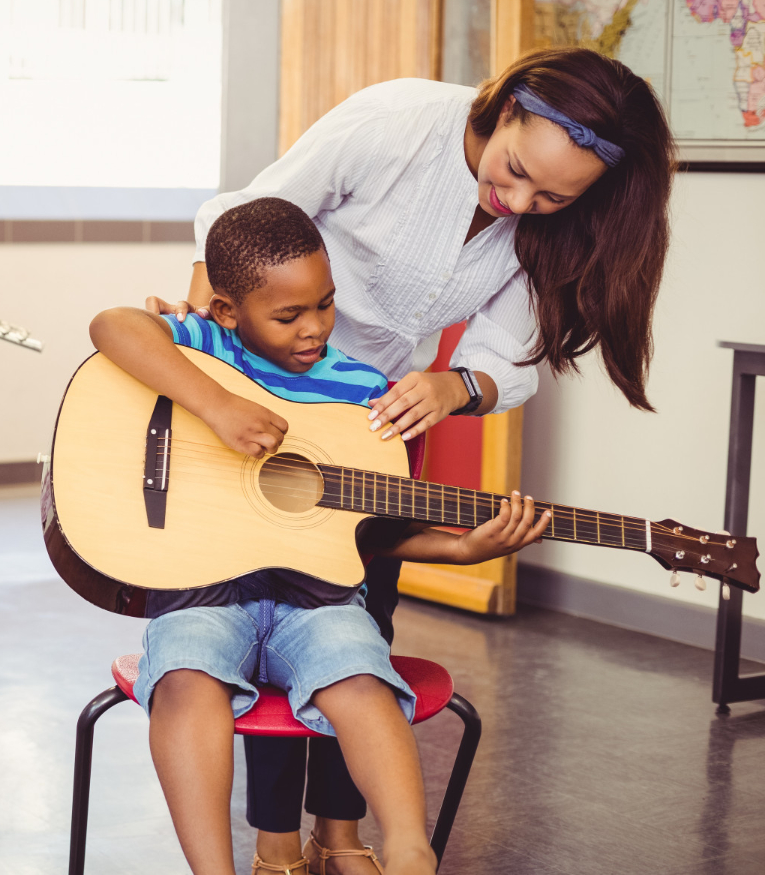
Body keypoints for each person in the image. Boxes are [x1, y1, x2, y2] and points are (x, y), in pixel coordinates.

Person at [148, 48, 674, 872]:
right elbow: (253, 214)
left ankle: (340, 834)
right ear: (508, 106)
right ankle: (277, 845)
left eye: (552, 197)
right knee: (254, 599)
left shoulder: (546, 227)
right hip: (264, 395)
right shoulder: (397, 123)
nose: (520, 203)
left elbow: (506, 359)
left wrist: (453, 386)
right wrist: (203, 335)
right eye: (516, 171)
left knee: (357, 625)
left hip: (377, 418)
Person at [93, 199, 550, 875]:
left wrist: (460, 549)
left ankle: (409, 852)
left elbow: (374, 531)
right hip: (204, 591)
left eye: (326, 304)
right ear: (228, 311)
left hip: (318, 601)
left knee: (361, 673)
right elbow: (112, 325)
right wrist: (217, 406)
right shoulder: (202, 347)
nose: (313, 328)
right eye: (288, 316)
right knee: (187, 677)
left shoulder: (362, 390)